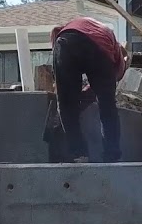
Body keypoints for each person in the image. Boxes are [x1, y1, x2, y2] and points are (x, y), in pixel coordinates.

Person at [50, 17, 128, 163]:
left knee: (66, 104)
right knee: (107, 106)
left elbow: (84, 89)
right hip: (96, 49)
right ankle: (112, 155)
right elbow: (103, 88)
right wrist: (85, 95)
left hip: (65, 43)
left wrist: (72, 95)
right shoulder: (117, 56)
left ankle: (78, 154)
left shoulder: (81, 26)